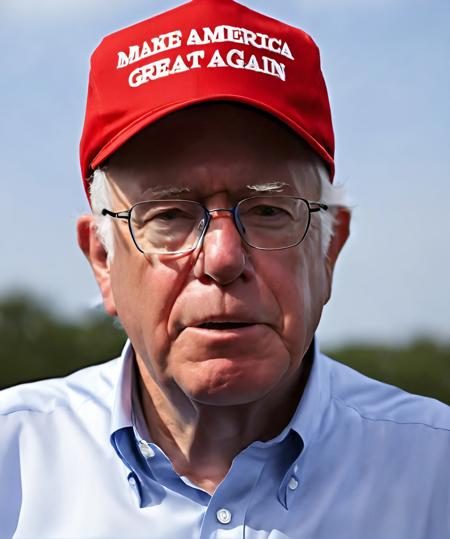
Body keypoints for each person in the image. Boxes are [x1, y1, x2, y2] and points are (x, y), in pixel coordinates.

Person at [1, 1, 448, 537]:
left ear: (329, 251)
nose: (223, 258)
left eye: (267, 211)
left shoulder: (436, 471)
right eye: (168, 215)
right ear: (102, 259)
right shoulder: (13, 464)